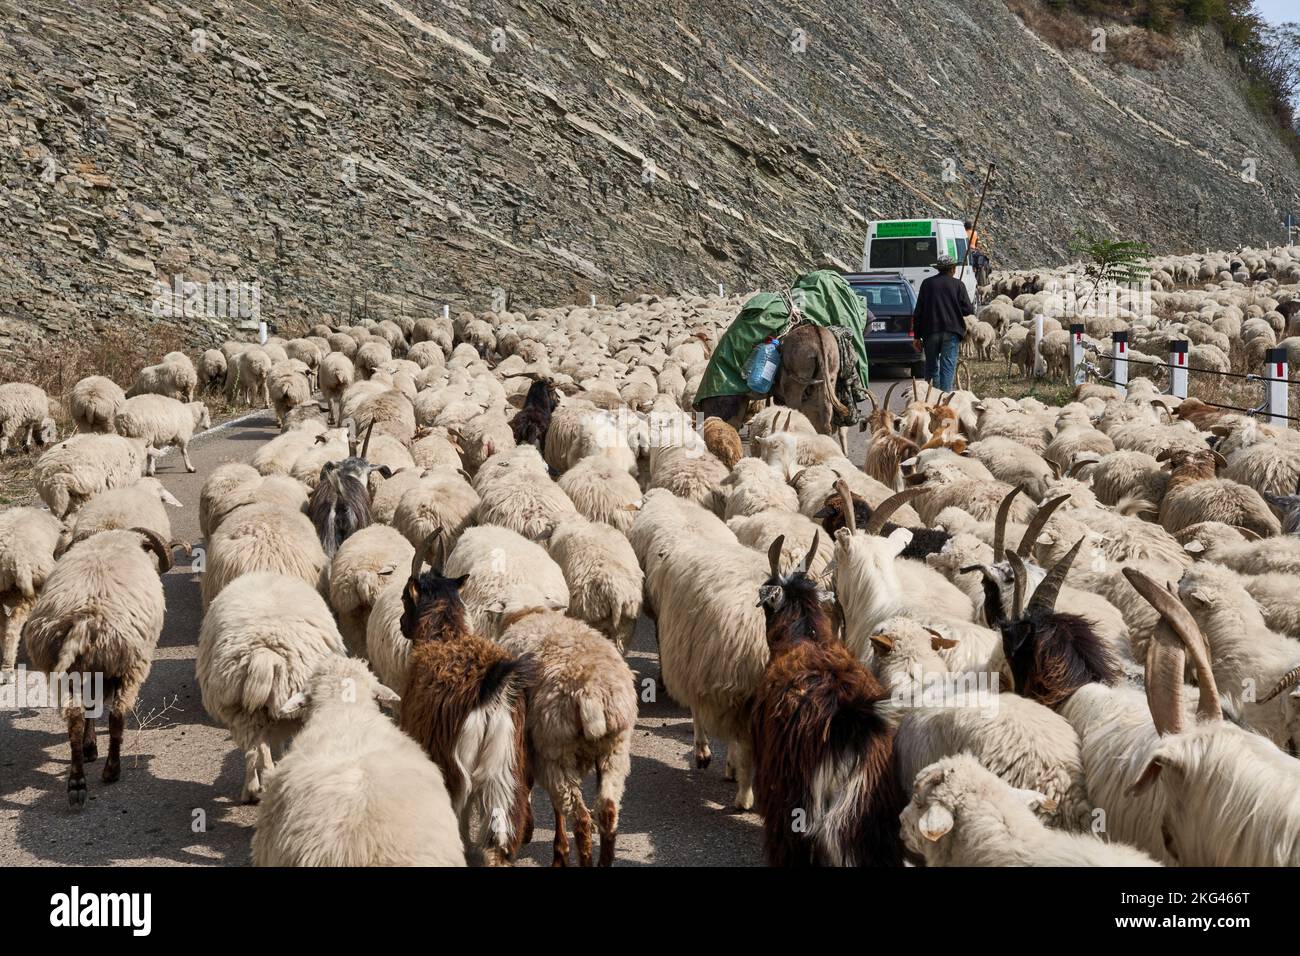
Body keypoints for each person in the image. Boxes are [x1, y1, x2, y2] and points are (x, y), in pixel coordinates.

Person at [913, 254, 972, 392]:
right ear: (952, 269)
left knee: (931, 366)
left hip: (930, 331)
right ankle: (944, 398)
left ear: (938, 269)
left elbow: (918, 312)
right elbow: (968, 309)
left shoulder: (927, 284)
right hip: (951, 331)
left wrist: (916, 336)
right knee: (947, 366)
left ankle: (932, 397)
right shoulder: (958, 285)